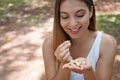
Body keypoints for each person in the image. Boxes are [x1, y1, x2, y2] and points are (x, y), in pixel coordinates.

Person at [42, 0, 117, 80]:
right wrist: (64, 63)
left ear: (90, 11)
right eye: (65, 17)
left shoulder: (107, 43)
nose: (73, 23)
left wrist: (88, 71)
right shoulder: (49, 44)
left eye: (80, 15)